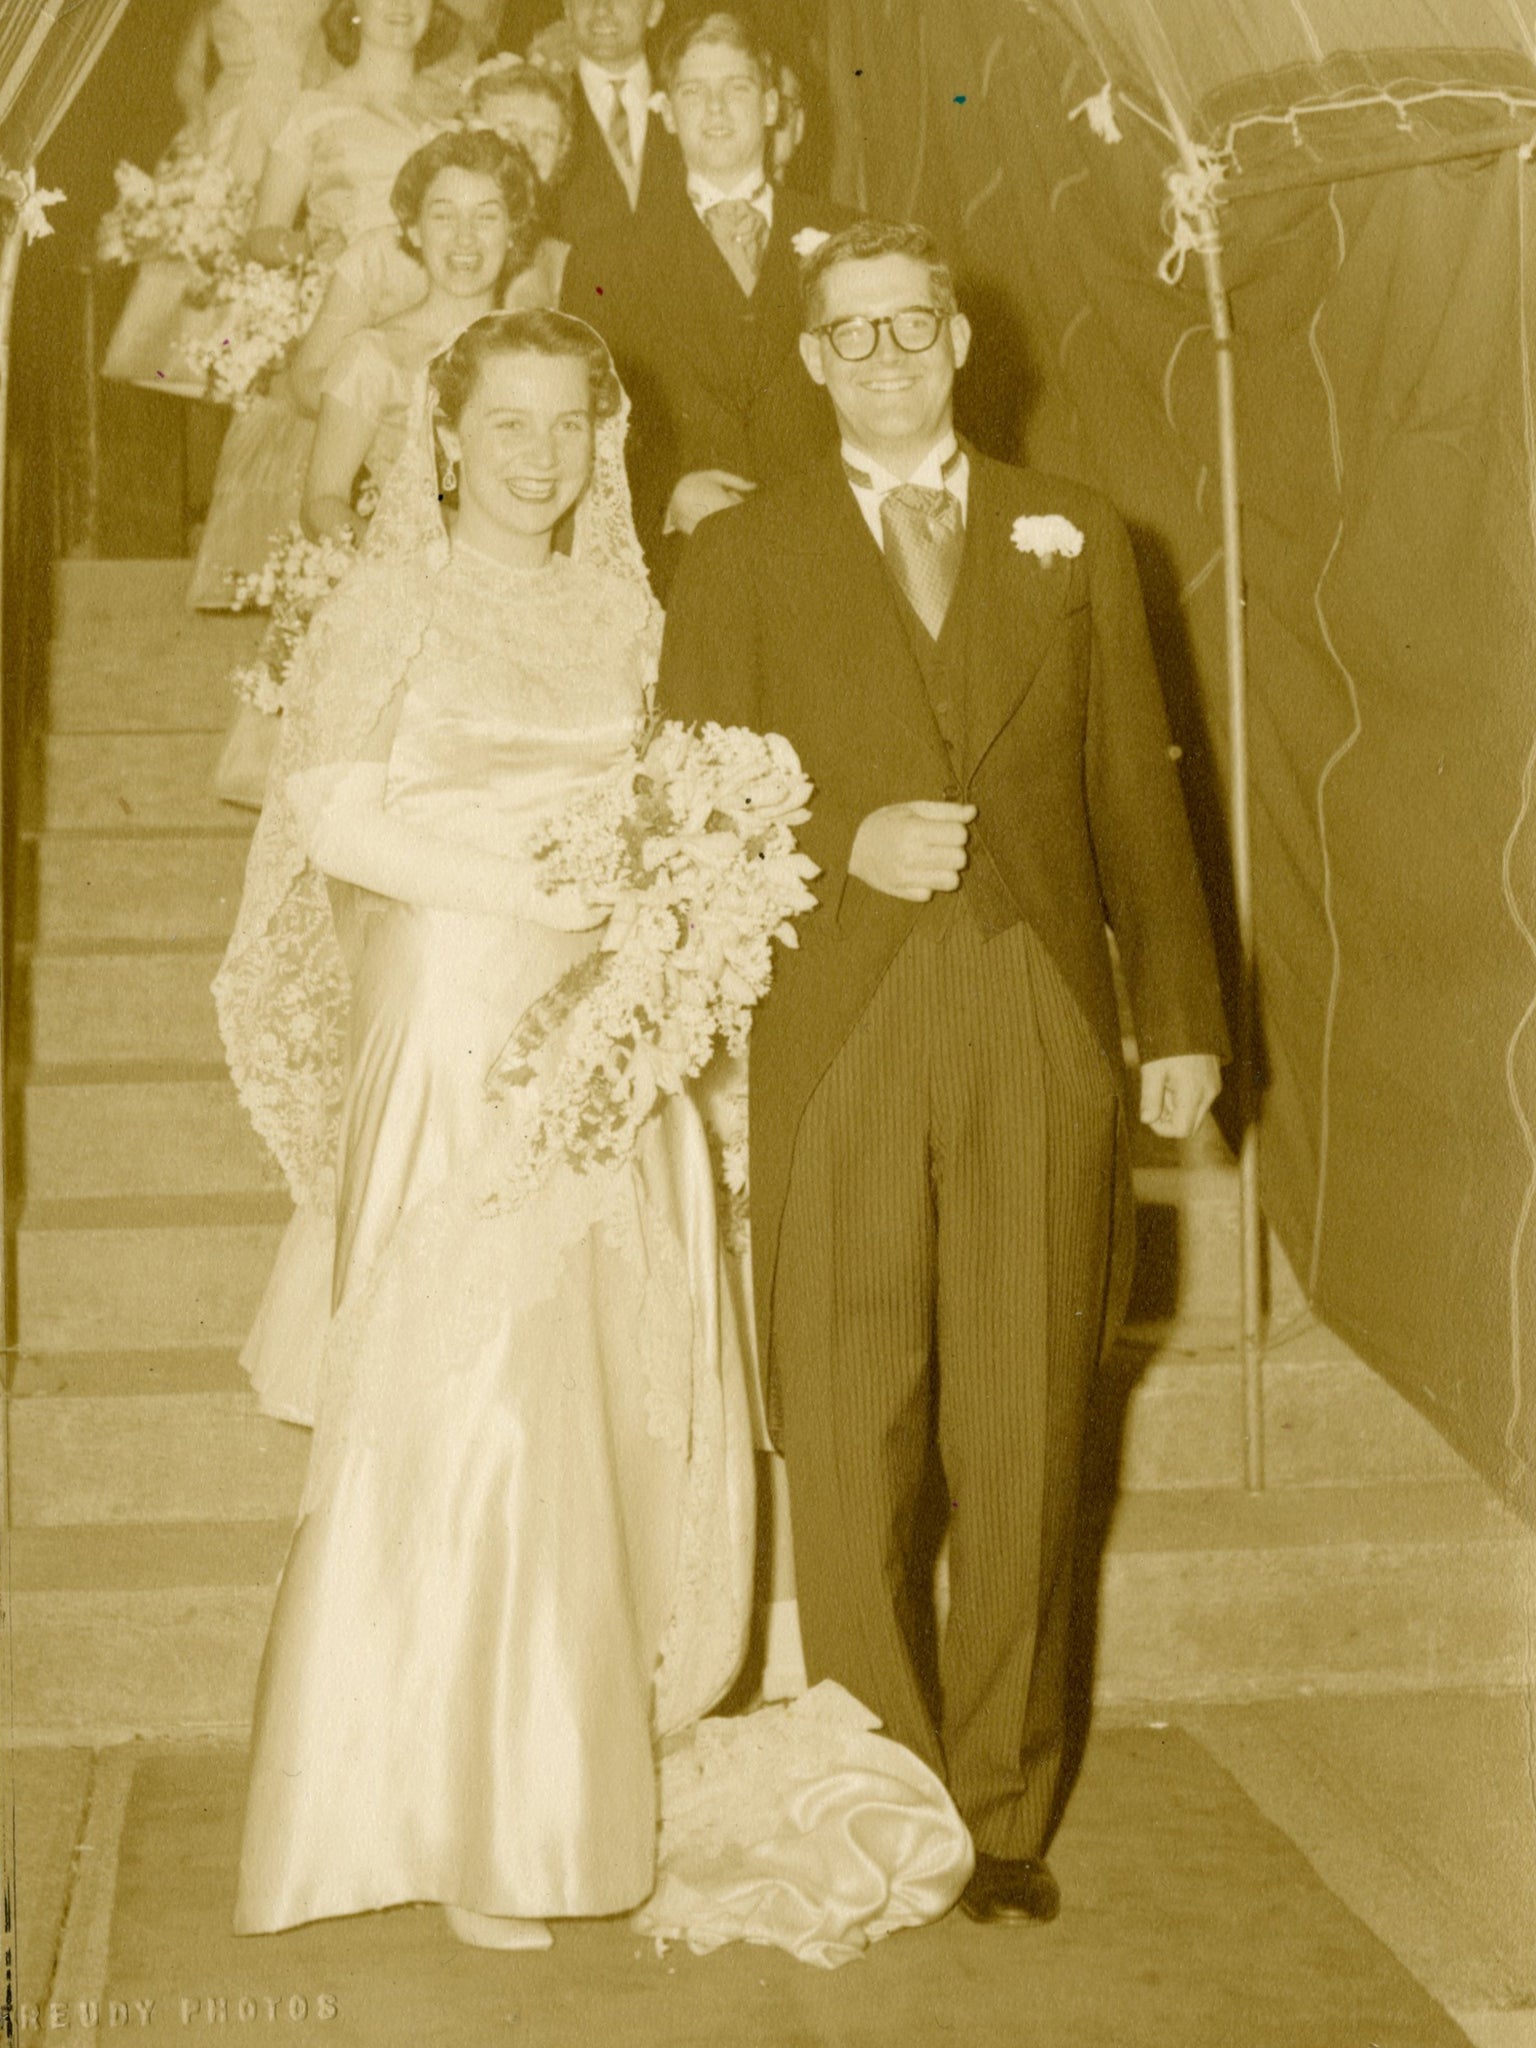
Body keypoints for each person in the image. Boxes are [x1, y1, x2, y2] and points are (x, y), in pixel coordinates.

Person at [218, 310, 971, 1957]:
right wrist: (534, 887)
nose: (541, 453)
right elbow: (336, 808)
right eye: (509, 422)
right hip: (457, 1017)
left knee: (596, 1400)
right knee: (480, 1401)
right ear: (446, 434)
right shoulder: (388, 597)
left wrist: (669, 899)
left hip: (606, 1021)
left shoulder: (632, 604)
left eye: (569, 423)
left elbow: (681, 787)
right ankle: (440, 1793)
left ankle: (553, 1773)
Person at [657, 219, 1230, 1926]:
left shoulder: (1083, 538)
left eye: (916, 324)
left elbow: (1141, 785)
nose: (889, 352)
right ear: (816, 358)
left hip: (1040, 1014)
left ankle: (999, 1805)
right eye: (855, 331)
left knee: (1028, 1418)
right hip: (844, 1023)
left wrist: (1182, 1012)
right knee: (848, 1428)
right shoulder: (744, 556)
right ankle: (878, 1791)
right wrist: (846, 841)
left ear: (955, 346)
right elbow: (688, 809)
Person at [188, 0, 462, 606]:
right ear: (353, 10)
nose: (402, 8)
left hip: (438, 305)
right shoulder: (312, 110)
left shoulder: (452, 113)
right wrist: (301, 247)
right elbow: (262, 233)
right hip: (351, 305)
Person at [562, 10, 846, 590]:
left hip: (831, 561)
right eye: (694, 92)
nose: (715, 110)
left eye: (736, 88)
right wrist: (666, 492)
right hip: (682, 569)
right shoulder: (604, 261)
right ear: (665, 111)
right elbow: (580, 420)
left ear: (771, 106)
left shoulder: (848, 239)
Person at [301, 127, 542, 541]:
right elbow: (321, 504)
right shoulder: (372, 355)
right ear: (414, 230)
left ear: (513, 231)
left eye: (486, 216)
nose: (464, 238)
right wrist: (395, 566)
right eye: (443, 216)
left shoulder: (535, 354)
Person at [101, 0, 330, 395]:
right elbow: (188, 69)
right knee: (204, 246)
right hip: (226, 124)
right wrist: (198, 119)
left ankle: (260, 374)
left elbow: (322, 63)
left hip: (294, 119)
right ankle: (195, 369)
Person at [541, 0, 686, 249]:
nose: (601, 8)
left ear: (654, 10)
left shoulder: (687, 101)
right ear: (567, 10)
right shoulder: (541, 105)